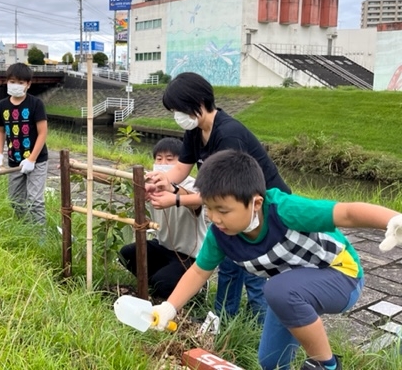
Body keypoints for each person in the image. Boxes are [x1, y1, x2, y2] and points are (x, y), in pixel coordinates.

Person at [150, 149, 402, 370]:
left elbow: (346, 213)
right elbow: (197, 272)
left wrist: (393, 220)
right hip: (291, 290)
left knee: (278, 289)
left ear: (256, 202)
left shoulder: (284, 210)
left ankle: (327, 364)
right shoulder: (220, 236)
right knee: (271, 361)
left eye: (223, 210)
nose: (214, 218)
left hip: (342, 277)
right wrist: (168, 308)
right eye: (209, 208)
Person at [147, 72, 292, 323]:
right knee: (229, 265)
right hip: (233, 208)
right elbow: (183, 167)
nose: (177, 116)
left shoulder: (228, 135)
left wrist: (177, 200)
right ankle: (225, 319)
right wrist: (164, 180)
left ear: (199, 102)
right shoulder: (196, 130)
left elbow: (218, 192)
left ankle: (260, 327)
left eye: (179, 109)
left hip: (262, 210)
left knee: (254, 271)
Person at [119, 137, 207, 299]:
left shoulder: (190, 186)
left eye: (169, 159)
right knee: (127, 254)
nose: (163, 163)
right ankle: (158, 282)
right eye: (159, 159)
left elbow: (196, 203)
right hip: (163, 246)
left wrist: (173, 192)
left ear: (182, 162)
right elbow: (117, 180)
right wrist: (82, 171)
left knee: (163, 282)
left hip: (190, 255)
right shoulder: (151, 184)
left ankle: (196, 289)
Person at [0, 63, 48, 226]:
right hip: (14, 160)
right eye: (12, 81)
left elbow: (43, 133)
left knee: (35, 201)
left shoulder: (35, 104)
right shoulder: (2, 105)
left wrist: (31, 159)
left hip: (37, 161)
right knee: (15, 200)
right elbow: (0, 131)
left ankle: (40, 236)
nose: (16, 85)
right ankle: (26, 228)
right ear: (7, 82)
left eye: (21, 82)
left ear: (28, 84)